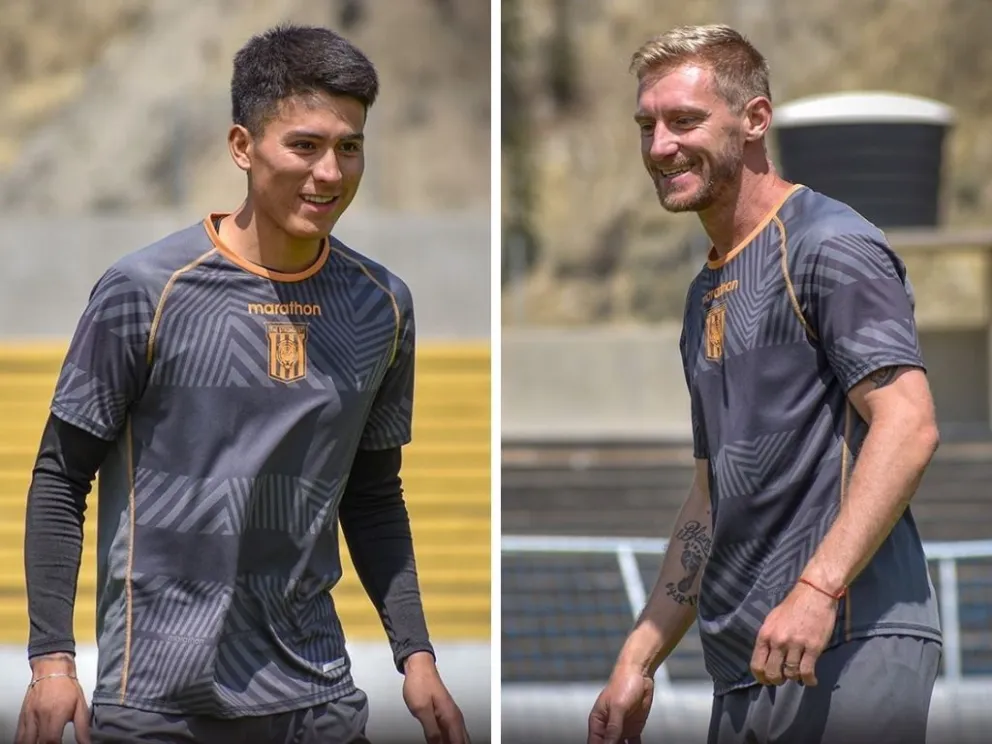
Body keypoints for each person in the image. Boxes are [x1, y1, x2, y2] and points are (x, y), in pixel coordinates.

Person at [17, 23, 469, 744]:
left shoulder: (381, 306)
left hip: (317, 695)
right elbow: (59, 478)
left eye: (350, 147)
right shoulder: (145, 291)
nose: (331, 173)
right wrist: (51, 663)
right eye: (305, 146)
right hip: (156, 701)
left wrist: (415, 656)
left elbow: (374, 496)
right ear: (241, 147)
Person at [587, 24, 942, 744]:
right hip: (747, 662)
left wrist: (817, 589)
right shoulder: (704, 292)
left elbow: (909, 424)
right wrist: (639, 656)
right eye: (647, 125)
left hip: (847, 640)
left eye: (684, 120)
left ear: (754, 120)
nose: (660, 146)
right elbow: (709, 495)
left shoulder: (829, 244)